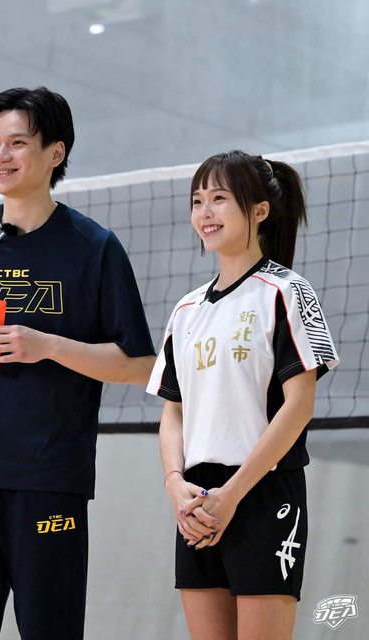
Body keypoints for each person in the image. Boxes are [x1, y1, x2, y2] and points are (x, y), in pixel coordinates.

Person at [0, 86, 155, 640]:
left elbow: (140, 365)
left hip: (49, 483)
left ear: (55, 153)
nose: (1, 155)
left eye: (17, 142)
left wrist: (49, 346)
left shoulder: (94, 247)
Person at [147, 150, 339, 640]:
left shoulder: (287, 291)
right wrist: (175, 485)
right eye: (197, 201)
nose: (205, 212)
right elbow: (173, 412)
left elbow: (299, 405)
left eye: (219, 198)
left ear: (259, 211)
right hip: (197, 501)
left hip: (262, 491)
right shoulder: (185, 310)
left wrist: (232, 496)